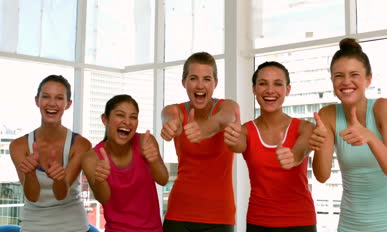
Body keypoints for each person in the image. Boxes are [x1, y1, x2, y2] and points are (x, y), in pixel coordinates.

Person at [311, 38, 387, 231]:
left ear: (368, 79)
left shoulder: (384, 108)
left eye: (354, 74)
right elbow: (322, 176)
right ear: (332, 81)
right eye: (339, 76)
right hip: (350, 225)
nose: (346, 81)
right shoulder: (328, 115)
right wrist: (318, 144)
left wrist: (371, 138)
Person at [224, 61, 329, 232]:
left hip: (300, 221)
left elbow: (302, 148)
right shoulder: (245, 131)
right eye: (263, 83)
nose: (270, 90)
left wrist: (294, 156)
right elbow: (238, 145)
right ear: (254, 89)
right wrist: (232, 138)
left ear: (288, 90)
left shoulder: (305, 127)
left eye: (278, 84)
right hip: (259, 221)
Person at [160, 52, 238, 232]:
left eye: (207, 79)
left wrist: (204, 129)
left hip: (220, 216)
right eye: (193, 78)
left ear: (215, 83)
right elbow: (168, 117)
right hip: (179, 214)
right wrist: (170, 125)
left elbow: (225, 118)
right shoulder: (175, 110)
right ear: (184, 83)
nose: (200, 85)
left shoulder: (227, 107)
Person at [9, 75, 92, 232]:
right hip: (33, 226)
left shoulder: (81, 145)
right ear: (37, 101)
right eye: (46, 96)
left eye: (59, 98)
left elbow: (61, 194)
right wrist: (31, 174)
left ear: (68, 104)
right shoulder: (18, 146)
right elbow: (32, 196)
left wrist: (60, 179)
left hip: (74, 226)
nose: (52, 103)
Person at [81, 94, 168, 232]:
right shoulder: (91, 158)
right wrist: (100, 179)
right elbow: (103, 198)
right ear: (105, 119)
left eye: (133, 117)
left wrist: (154, 160)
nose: (127, 122)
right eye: (120, 115)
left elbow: (163, 180)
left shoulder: (146, 141)